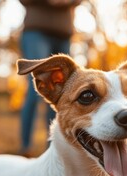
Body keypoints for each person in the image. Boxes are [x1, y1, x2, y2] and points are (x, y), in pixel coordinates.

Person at [19, 0, 82, 156]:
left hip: (63, 32)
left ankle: (53, 148)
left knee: (61, 94)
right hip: (36, 29)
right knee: (35, 92)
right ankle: (25, 146)